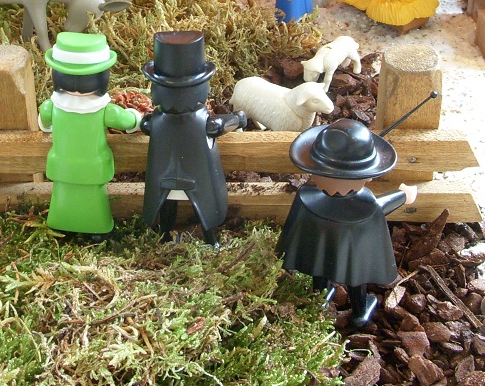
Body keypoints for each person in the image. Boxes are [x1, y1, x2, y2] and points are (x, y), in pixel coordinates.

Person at [276, 118, 417, 328]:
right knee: (356, 279)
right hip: (353, 258)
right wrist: (403, 195)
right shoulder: (367, 207)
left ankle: (321, 296)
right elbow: (383, 205)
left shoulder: (306, 198)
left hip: (319, 254)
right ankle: (360, 311)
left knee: (319, 268)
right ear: (368, 176)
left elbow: (293, 231)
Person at [141, 30, 245, 246]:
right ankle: (209, 241)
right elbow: (221, 125)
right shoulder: (203, 122)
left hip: (164, 179)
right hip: (196, 180)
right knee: (204, 211)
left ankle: (166, 236)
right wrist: (239, 118)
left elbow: (144, 125)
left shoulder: (155, 121)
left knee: (169, 205)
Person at [40, 32, 141, 238]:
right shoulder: (105, 111)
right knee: (93, 201)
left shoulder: (52, 106)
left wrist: (48, 127)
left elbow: (44, 122)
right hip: (93, 166)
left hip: (62, 165)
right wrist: (136, 118)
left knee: (62, 196)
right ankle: (97, 230)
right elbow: (126, 121)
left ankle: (60, 224)